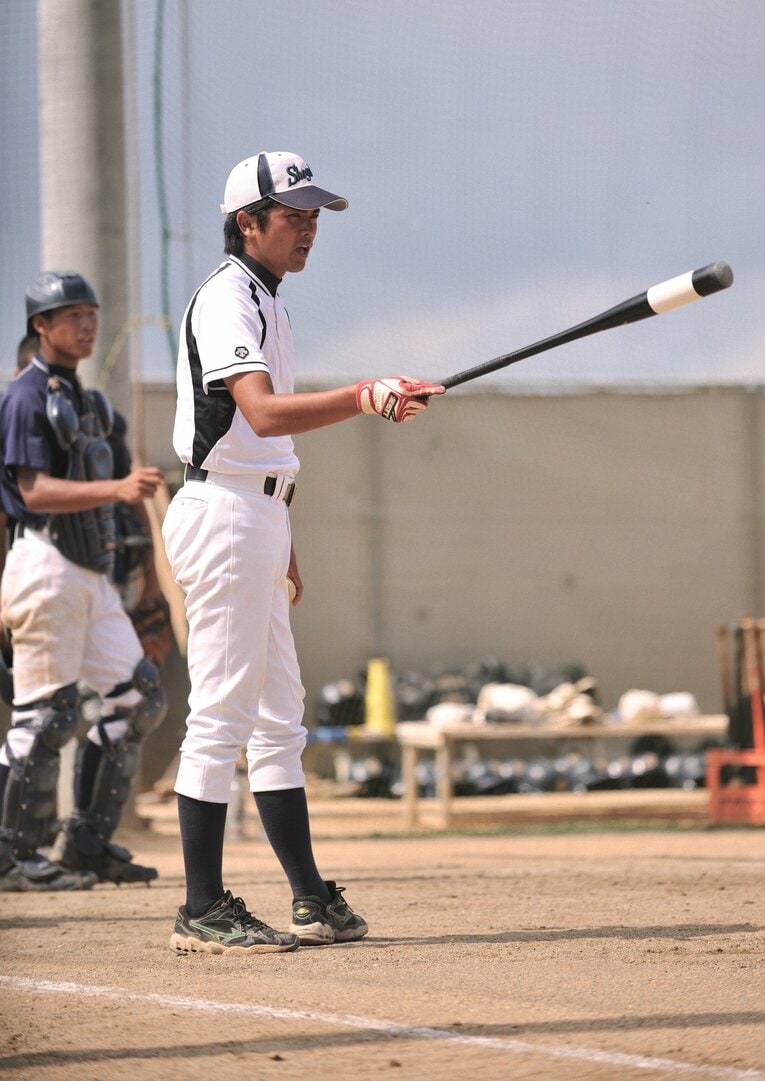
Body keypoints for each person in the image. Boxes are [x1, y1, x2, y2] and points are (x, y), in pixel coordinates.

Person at [161, 150, 444, 955]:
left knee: (279, 720)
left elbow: (265, 445)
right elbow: (262, 412)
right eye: (294, 214)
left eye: (314, 215)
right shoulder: (228, 297)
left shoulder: (266, 301)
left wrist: (283, 539)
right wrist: (364, 395)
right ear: (247, 223)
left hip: (254, 516)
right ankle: (202, 905)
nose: (309, 227)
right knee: (219, 715)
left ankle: (310, 898)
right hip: (222, 514)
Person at [0, 270, 168, 891]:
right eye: (70, 314)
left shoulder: (90, 402)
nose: (86, 323)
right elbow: (32, 490)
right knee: (45, 717)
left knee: (137, 699)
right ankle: (11, 857)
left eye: (91, 312)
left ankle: (86, 843)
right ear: (40, 326)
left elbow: (119, 492)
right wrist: (117, 488)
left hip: (92, 575)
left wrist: (147, 571)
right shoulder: (23, 396)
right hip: (45, 564)